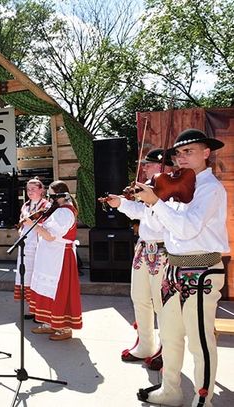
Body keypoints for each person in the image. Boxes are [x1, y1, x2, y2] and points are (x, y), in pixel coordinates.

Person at [134, 129, 228, 407]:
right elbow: (162, 226)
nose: (181, 157)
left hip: (202, 270)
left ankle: (203, 398)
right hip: (173, 268)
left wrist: (157, 202)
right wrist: (147, 204)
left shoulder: (210, 188)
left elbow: (187, 229)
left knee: (200, 340)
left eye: (189, 151)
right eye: (178, 152)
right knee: (170, 335)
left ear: (206, 153)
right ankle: (170, 390)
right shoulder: (177, 186)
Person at [107, 148, 174, 370]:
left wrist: (150, 200)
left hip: (163, 250)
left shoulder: (172, 192)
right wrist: (121, 204)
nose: (143, 167)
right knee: (140, 298)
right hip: (144, 248)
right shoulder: (150, 190)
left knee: (163, 304)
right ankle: (145, 344)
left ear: (162, 167)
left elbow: (160, 222)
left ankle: (167, 348)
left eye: (148, 164)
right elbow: (141, 213)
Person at [29, 181, 82, 341]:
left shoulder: (65, 212)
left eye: (51, 194)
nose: (49, 198)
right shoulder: (57, 210)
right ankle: (50, 323)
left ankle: (64, 328)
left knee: (59, 290)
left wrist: (33, 226)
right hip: (51, 257)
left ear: (59, 195)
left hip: (60, 257)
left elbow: (51, 236)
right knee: (47, 289)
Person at [14, 178, 50, 319]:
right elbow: (21, 222)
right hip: (26, 244)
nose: (30, 192)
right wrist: (21, 229)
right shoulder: (25, 206)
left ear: (41, 190)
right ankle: (32, 309)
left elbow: (47, 224)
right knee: (27, 276)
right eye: (28, 189)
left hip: (40, 244)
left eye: (34, 189)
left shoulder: (47, 205)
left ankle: (41, 310)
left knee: (38, 276)